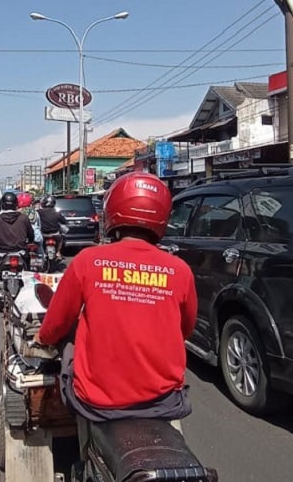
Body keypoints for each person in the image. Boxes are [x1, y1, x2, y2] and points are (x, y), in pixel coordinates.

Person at [33, 172, 198, 436]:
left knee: (68, 342)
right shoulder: (180, 270)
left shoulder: (88, 260)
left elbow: (57, 323)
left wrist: (42, 338)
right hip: (163, 400)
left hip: (97, 403)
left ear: (113, 212)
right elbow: (185, 329)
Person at [0, 192, 35, 284]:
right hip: (20, 252)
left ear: (2, 204)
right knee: (28, 260)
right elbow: (31, 235)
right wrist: (30, 241)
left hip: (1, 253)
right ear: (16, 204)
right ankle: (29, 281)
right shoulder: (24, 218)